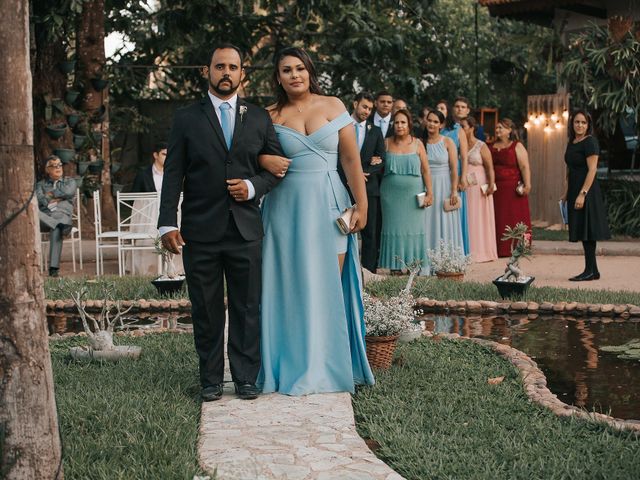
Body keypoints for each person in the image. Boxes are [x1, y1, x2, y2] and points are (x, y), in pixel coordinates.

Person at [158, 44, 284, 402]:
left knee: (248, 307)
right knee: (207, 308)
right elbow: (173, 173)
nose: (226, 72)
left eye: (233, 67)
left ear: (243, 73)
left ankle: (246, 377)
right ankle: (210, 379)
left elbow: (276, 167)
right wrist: (167, 222)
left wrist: (252, 186)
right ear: (207, 71)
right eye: (219, 66)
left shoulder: (258, 117)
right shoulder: (186, 117)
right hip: (201, 229)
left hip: (245, 229)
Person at [257, 46, 374, 395]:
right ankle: (288, 365)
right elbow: (248, 156)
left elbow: (352, 161)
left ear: (310, 71)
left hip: (329, 203)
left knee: (327, 286)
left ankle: (329, 366)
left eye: (300, 69)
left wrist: (362, 205)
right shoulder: (269, 115)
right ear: (277, 77)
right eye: (286, 70)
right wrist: (264, 159)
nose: (294, 75)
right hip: (284, 207)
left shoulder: (333, 105)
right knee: (288, 286)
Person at [378, 109, 433, 273]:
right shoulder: (386, 142)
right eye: (396, 122)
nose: (399, 125)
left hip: (413, 198)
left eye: (403, 122)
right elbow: (377, 166)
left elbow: (426, 170)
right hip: (390, 198)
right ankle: (394, 267)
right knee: (392, 229)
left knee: (413, 229)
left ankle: (412, 267)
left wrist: (430, 193)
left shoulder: (418, 143)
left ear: (409, 124)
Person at [339, 91, 385, 273]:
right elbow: (336, 156)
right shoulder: (342, 127)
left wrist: (364, 173)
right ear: (355, 104)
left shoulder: (375, 131)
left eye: (370, 109)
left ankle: (368, 271)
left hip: (369, 187)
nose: (367, 111)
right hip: (343, 185)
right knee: (343, 227)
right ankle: (345, 269)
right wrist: (352, 174)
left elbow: (382, 159)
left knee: (369, 231)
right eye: (364, 106)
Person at [563, 110, 610, 281]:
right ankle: (593, 270)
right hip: (575, 189)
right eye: (577, 122)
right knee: (583, 229)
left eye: (583, 122)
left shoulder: (590, 142)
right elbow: (570, 169)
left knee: (587, 230)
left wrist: (582, 194)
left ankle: (590, 271)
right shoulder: (573, 142)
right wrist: (567, 193)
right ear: (572, 123)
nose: (580, 125)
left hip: (587, 191)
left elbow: (592, 170)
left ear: (588, 125)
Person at [422, 109, 464, 272]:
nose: (431, 124)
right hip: (427, 186)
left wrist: (454, 190)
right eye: (429, 120)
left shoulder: (447, 142)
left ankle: (447, 263)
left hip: (445, 185)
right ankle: (427, 262)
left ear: (441, 125)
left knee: (445, 221)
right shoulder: (421, 142)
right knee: (427, 222)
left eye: (435, 121)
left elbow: (454, 169)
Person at [489, 118, 532, 257]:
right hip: (496, 189)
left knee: (516, 217)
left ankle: (521, 248)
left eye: (501, 127)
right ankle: (500, 248)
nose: (498, 130)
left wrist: (527, 184)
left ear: (509, 130)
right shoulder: (490, 146)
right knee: (499, 218)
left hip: (513, 189)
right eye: (497, 128)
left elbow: (524, 166)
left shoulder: (517, 146)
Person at [460, 115, 498, 262]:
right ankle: (466, 250)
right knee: (467, 216)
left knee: (479, 217)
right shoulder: (459, 145)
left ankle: (482, 251)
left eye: (463, 127)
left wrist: (490, 184)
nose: (461, 130)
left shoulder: (481, 145)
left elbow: (490, 167)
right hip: (464, 185)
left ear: (472, 128)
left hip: (479, 186)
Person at [437, 99, 470, 255]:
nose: (440, 110)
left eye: (443, 108)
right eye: (438, 108)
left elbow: (464, 156)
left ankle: (458, 249)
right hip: (438, 174)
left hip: (454, 173)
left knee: (454, 208)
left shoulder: (457, 130)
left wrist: (463, 177)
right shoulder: (434, 129)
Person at [36, 155, 77, 277]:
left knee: (56, 227)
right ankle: (61, 226)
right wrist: (56, 198)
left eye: (59, 165)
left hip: (62, 215)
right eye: (54, 166)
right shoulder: (40, 184)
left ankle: (53, 269)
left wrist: (50, 194)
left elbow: (68, 192)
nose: (58, 168)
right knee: (34, 213)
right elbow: (39, 199)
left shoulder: (70, 182)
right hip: (45, 217)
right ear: (47, 170)